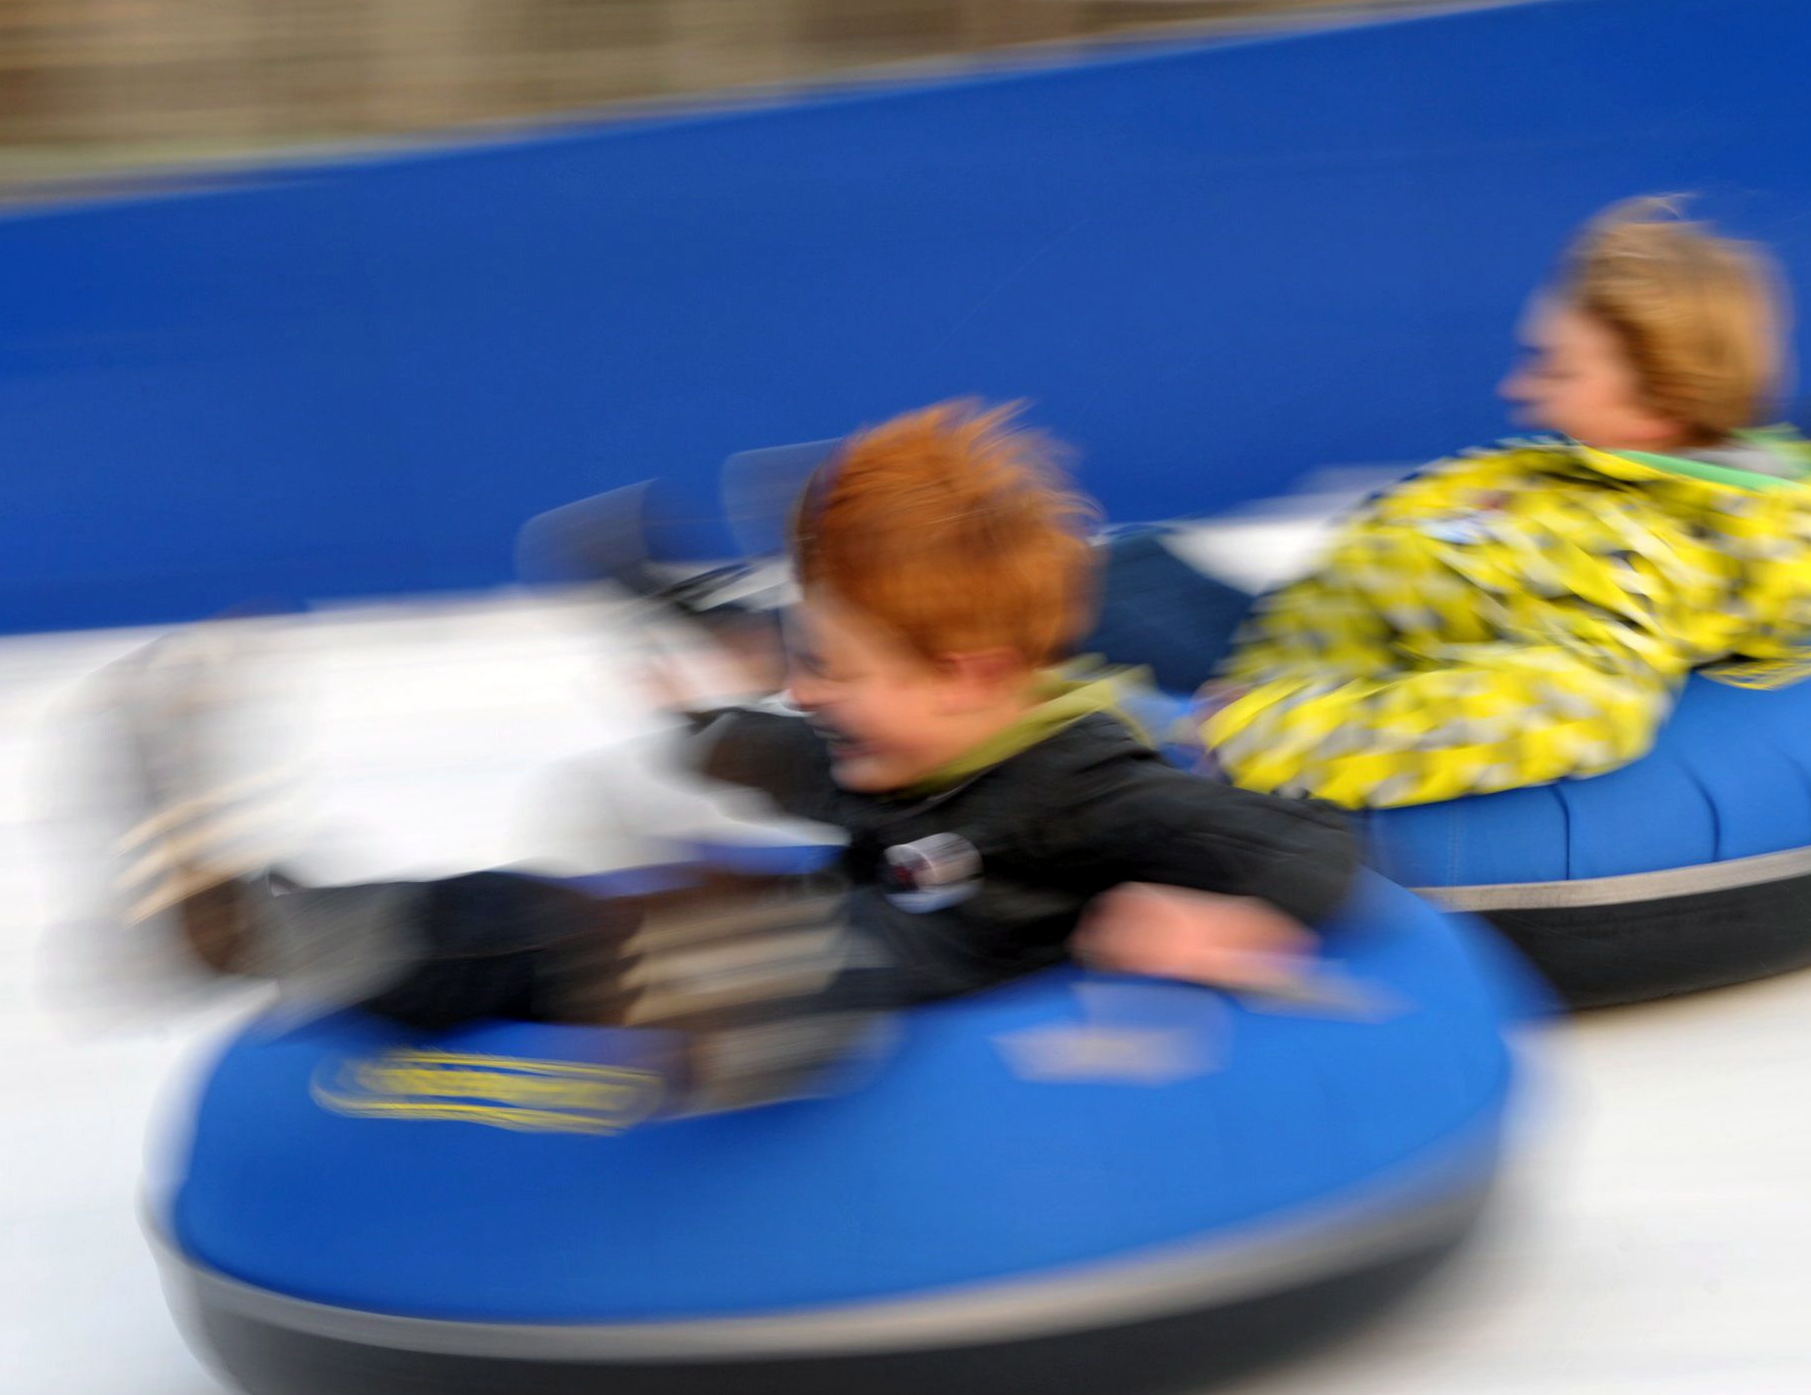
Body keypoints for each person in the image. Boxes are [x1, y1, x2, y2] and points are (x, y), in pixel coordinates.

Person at [96, 402, 1361, 1116]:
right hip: (787, 932)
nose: (807, 685)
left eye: (837, 666)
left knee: (812, 944)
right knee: (536, 912)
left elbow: (1316, 856)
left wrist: (1187, 914)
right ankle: (250, 920)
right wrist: (705, 733)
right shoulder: (895, 750)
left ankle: (729, 1006)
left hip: (918, 999)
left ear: (972, 673)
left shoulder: (1093, 783)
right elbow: (797, 758)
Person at [1191, 198, 1811, 810]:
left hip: (1284, 693)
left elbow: (1579, 708)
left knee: (1117, 612)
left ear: (1660, 405)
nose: (1518, 389)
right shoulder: (1637, 488)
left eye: (1555, 368)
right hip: (1299, 639)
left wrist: (1256, 733)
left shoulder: (1619, 549)